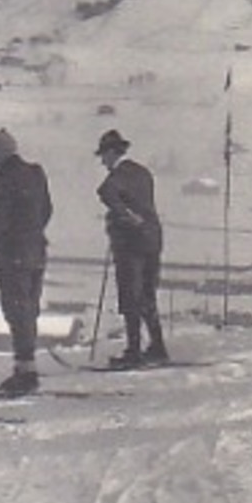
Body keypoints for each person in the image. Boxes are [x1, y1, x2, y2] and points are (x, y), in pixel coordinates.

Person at [0, 128, 53, 395]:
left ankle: (25, 372)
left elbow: (0, 217)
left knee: (16, 310)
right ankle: (27, 366)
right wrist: (32, 230)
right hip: (37, 248)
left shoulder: (7, 177)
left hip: (14, 253)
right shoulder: (36, 172)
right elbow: (47, 210)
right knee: (30, 308)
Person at [95, 129, 169, 370]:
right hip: (153, 239)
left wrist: (120, 215)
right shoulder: (143, 172)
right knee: (148, 294)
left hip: (131, 244)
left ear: (111, 153)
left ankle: (134, 350)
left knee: (130, 296)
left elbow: (105, 192)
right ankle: (158, 347)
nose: (102, 162)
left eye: (103, 156)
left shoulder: (119, 174)